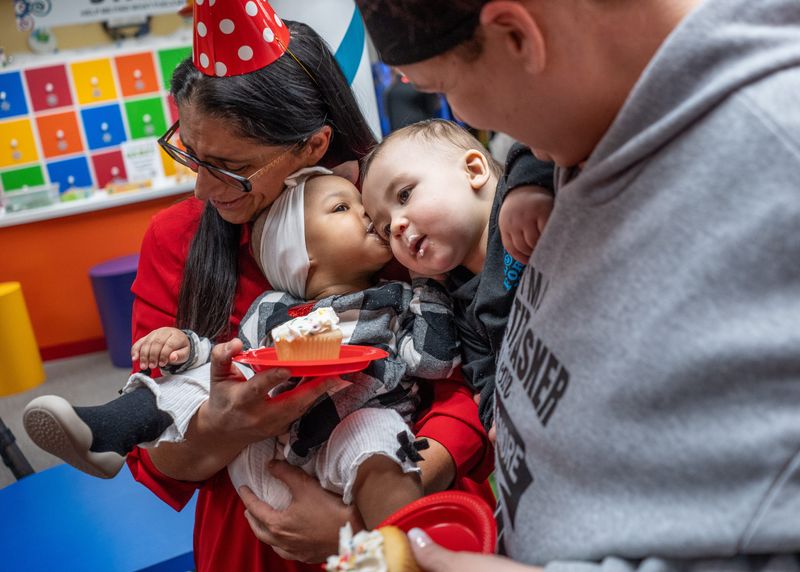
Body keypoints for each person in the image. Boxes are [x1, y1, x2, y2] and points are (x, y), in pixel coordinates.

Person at [355, 0, 800, 571]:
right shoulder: (582, 129)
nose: (462, 111)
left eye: (445, 88)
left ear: (517, 35)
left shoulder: (775, 159)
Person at [52, 4, 493, 571]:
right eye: (189, 150)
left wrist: (365, 517)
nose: (204, 187)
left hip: (398, 513)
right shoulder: (177, 240)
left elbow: (468, 385)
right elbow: (160, 460)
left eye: (230, 166)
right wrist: (223, 427)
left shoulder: (388, 221)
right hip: (253, 542)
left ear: (313, 146)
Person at [25, 169, 461, 531]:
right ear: (301, 255)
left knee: (379, 439)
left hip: (348, 439)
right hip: (267, 459)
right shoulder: (273, 308)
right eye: (342, 208)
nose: (368, 214)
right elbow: (235, 352)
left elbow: (433, 362)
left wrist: (429, 285)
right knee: (204, 376)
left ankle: (397, 549)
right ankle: (107, 430)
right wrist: (184, 345)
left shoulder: (396, 298)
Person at [361, 119, 554, 434]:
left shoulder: (516, 199)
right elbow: (486, 375)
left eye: (405, 194)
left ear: (474, 171)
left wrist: (527, 188)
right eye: (385, 228)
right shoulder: (462, 302)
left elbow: (543, 142)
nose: (396, 224)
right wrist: (497, 419)